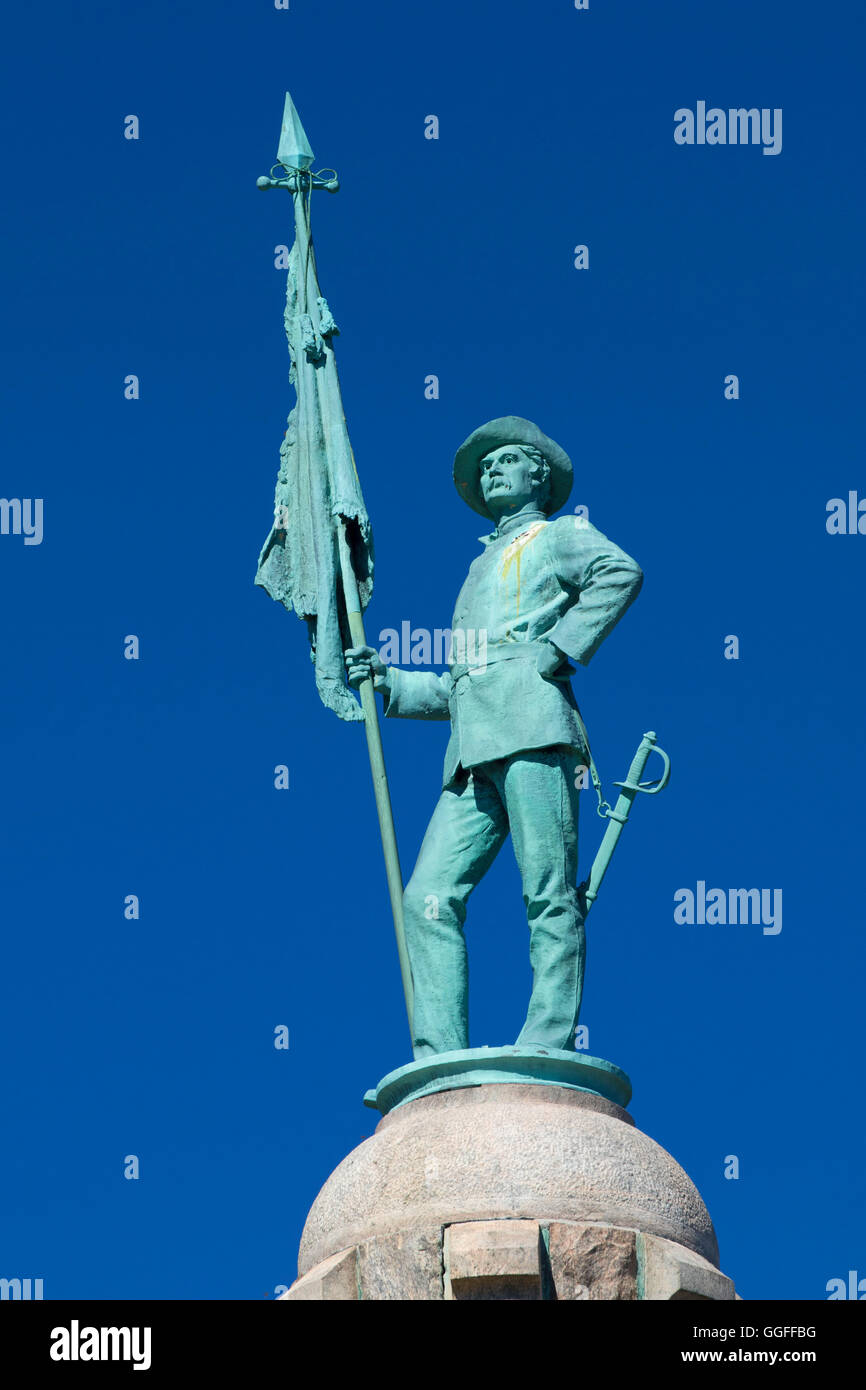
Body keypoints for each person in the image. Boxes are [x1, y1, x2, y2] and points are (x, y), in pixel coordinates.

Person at [346, 416, 642, 1059]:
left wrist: (558, 648)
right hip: (470, 754)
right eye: (484, 466)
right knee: (426, 897)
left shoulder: (559, 536)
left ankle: (546, 1038)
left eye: (507, 459)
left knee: (548, 893)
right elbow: (461, 683)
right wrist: (390, 682)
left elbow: (619, 573)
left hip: (533, 727)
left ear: (539, 473)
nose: (491, 471)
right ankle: (439, 1054)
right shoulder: (481, 564)